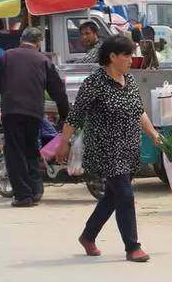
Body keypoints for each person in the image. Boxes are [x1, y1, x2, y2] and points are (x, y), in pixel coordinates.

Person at [55, 35, 161, 263]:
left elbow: (138, 110)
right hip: (106, 149)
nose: (131, 60)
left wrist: (152, 133)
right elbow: (75, 115)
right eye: (127, 55)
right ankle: (133, 247)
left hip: (129, 147)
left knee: (112, 197)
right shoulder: (94, 83)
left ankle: (88, 235)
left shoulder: (129, 80)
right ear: (112, 57)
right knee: (125, 195)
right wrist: (63, 143)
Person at [0, 28, 70, 207]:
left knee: (15, 152)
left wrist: (7, 88)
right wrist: (65, 115)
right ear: (38, 43)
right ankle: (36, 190)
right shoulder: (43, 60)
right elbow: (58, 90)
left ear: (21, 40)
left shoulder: (7, 56)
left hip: (12, 111)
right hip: (34, 113)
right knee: (31, 149)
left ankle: (24, 196)